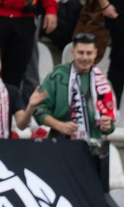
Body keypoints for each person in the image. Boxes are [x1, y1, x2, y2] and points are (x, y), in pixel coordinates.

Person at [32, 34, 116, 179]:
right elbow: (39, 110)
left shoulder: (103, 83)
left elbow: (111, 123)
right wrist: (59, 125)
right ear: (72, 52)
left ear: (96, 53)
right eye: (80, 52)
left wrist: (108, 125)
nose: (85, 57)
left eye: (89, 53)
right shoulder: (57, 76)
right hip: (60, 147)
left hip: (94, 152)